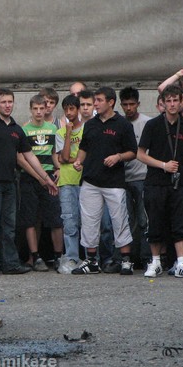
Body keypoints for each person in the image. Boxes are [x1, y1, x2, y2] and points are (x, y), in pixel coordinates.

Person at [0, 88, 58, 275]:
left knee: (9, 225)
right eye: (3, 102)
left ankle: (10, 263)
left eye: (10, 102)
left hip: (10, 182)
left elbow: (30, 156)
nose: (7, 105)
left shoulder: (16, 129)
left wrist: (46, 178)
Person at [71, 87, 138, 275]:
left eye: (99, 100)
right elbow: (84, 147)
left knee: (119, 220)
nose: (96, 104)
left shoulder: (123, 124)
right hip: (90, 180)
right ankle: (91, 260)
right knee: (89, 221)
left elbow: (133, 152)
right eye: (95, 100)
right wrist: (78, 161)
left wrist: (118, 157)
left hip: (114, 181)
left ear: (111, 102)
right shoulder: (90, 124)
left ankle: (126, 260)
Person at [137, 85, 183, 278]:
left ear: (182, 102)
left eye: (175, 100)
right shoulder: (153, 125)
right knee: (154, 222)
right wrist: (163, 165)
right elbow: (140, 154)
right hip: (156, 182)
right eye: (168, 101)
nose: (172, 104)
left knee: (181, 221)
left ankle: (181, 263)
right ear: (162, 103)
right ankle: (155, 261)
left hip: (180, 183)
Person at [18, 95, 63, 271]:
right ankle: (35, 256)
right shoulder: (24, 130)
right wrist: (39, 177)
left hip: (50, 175)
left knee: (55, 217)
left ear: (46, 109)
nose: (38, 112)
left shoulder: (53, 129)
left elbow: (54, 152)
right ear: (30, 110)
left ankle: (58, 256)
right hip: (30, 178)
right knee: (31, 218)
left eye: (41, 108)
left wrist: (58, 168)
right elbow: (22, 158)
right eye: (35, 109)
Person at [119, 87, 151, 267]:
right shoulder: (119, 123)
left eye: (132, 104)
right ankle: (127, 258)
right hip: (122, 178)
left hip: (142, 176)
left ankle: (146, 258)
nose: (129, 108)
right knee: (126, 220)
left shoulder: (147, 123)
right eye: (125, 104)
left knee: (144, 220)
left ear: (138, 104)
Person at [55, 95, 84, 274]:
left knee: (88, 220)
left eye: (72, 108)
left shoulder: (86, 130)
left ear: (78, 109)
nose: (69, 112)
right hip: (66, 181)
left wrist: (75, 159)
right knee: (69, 221)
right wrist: (68, 133)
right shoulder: (60, 133)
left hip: (84, 180)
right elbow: (64, 157)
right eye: (66, 109)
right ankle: (72, 256)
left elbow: (88, 155)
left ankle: (92, 257)